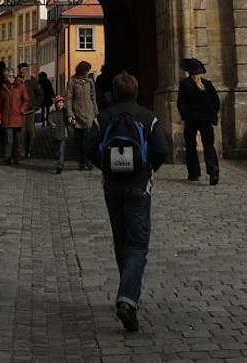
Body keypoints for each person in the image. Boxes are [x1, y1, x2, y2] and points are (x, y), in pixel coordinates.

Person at [88, 69, 169, 334]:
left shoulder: (104, 117)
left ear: (113, 92)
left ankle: (128, 291)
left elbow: (89, 148)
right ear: (136, 91)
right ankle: (127, 298)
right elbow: (160, 150)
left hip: (112, 186)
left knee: (121, 241)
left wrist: (106, 166)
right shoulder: (149, 117)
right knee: (137, 245)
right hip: (138, 186)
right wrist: (145, 169)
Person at [176, 56, 221, 184]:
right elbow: (216, 102)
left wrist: (184, 116)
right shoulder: (207, 84)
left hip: (191, 119)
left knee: (191, 146)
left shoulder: (184, 84)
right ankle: (213, 168)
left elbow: (181, 103)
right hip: (206, 119)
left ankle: (194, 173)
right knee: (208, 145)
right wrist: (211, 114)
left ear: (189, 71)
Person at [65, 59, 98, 170]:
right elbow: (69, 99)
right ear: (81, 71)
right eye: (86, 71)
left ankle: (88, 162)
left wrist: (96, 113)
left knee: (89, 141)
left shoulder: (90, 82)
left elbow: (93, 98)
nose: (87, 74)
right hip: (78, 115)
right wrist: (70, 113)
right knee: (79, 142)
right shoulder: (72, 82)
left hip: (89, 115)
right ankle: (81, 161)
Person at [0, 67, 29, 164]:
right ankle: (7, 157)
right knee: (8, 139)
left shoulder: (21, 86)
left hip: (18, 116)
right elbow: (0, 104)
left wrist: (22, 109)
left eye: (8, 77)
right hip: (7, 117)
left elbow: (26, 100)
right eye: (6, 77)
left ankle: (16, 156)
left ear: (13, 76)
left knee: (17, 139)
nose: (7, 79)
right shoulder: (3, 88)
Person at [17, 62, 41, 158]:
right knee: (21, 132)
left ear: (27, 70)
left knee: (30, 131)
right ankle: (22, 152)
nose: (22, 71)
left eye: (24, 69)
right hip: (20, 110)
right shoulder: (16, 82)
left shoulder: (33, 81)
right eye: (20, 69)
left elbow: (40, 94)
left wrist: (36, 105)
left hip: (31, 110)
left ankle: (29, 149)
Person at [48, 92, 69, 173]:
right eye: (59, 103)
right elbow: (50, 119)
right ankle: (59, 159)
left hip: (63, 134)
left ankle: (60, 165)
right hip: (55, 134)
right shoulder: (53, 112)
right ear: (56, 104)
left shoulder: (65, 111)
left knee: (61, 150)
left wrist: (71, 120)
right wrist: (52, 123)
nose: (60, 104)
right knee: (56, 151)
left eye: (62, 103)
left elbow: (68, 120)